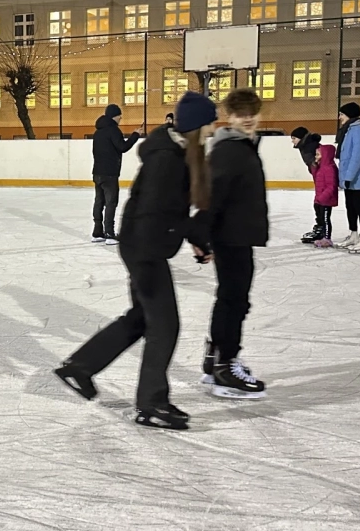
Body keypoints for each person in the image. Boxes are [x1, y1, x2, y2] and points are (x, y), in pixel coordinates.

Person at [55, 92, 217, 431]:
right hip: (145, 249)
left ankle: (80, 367)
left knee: (143, 318)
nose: (215, 128)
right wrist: (190, 236)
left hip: (143, 244)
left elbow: (171, 212)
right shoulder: (167, 160)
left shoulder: (176, 153)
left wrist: (197, 239)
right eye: (210, 122)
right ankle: (151, 404)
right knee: (165, 325)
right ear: (196, 126)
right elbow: (159, 212)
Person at [203, 88, 269, 399]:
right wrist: (204, 236)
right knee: (234, 300)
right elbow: (212, 196)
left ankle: (215, 357)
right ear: (229, 116)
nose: (247, 119)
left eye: (252, 112)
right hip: (231, 236)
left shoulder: (241, 145)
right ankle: (224, 366)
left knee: (231, 298)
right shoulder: (229, 150)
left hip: (237, 234)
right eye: (240, 113)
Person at [90, 104, 143, 244]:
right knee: (110, 202)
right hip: (110, 173)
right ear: (115, 116)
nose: (121, 118)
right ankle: (109, 232)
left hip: (97, 172)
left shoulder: (98, 132)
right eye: (120, 115)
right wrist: (135, 135)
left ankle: (97, 232)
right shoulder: (113, 130)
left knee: (99, 201)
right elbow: (123, 147)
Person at [335, 102, 360, 253]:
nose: (340, 117)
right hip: (349, 177)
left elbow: (356, 156)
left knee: (359, 207)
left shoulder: (358, 131)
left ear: (349, 115)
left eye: (342, 114)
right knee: (350, 207)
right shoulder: (349, 130)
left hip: (357, 177)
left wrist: (349, 176)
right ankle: (354, 235)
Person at [290, 126, 323, 243]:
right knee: (318, 203)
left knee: (321, 203)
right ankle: (320, 228)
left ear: (301, 138)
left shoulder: (309, 146)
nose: (292, 141)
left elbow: (317, 163)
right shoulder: (305, 145)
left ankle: (322, 231)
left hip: (322, 178)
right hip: (318, 177)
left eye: (294, 138)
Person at [310, 143, 339, 248]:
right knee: (321, 218)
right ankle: (322, 236)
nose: (316, 157)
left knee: (326, 219)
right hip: (319, 199)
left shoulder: (330, 168)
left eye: (318, 155)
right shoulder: (321, 167)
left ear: (325, 155)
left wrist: (322, 197)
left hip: (326, 200)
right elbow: (317, 179)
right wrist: (314, 167)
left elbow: (331, 186)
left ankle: (327, 238)